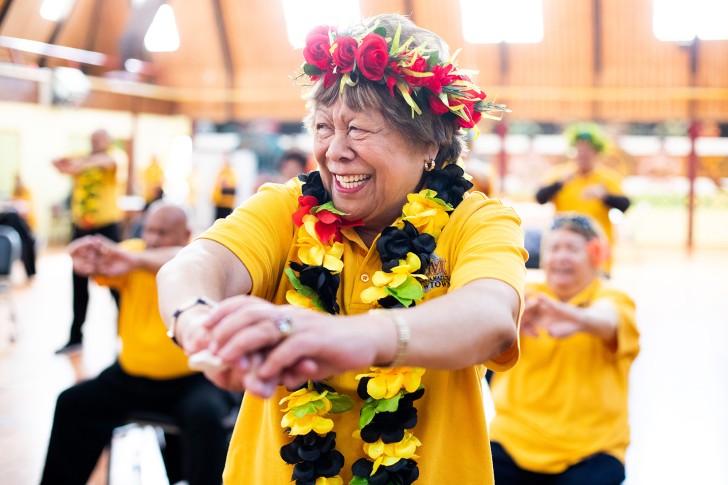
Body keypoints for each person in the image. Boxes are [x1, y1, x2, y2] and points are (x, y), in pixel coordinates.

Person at [157, 14, 527, 484]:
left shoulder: (476, 220)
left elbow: (491, 318)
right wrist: (198, 322)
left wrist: (355, 338)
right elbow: (196, 265)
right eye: (324, 127)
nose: (334, 151)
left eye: (359, 129)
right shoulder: (287, 207)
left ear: (430, 140)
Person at [41, 202, 237, 485]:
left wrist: (134, 260)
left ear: (186, 234)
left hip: (194, 382)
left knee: (206, 417)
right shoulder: (133, 251)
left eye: (163, 232)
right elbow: (104, 265)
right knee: (72, 403)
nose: (152, 239)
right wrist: (87, 257)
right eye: (149, 230)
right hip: (129, 379)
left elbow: (183, 258)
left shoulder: (202, 253)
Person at [488, 214, 640, 485]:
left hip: (591, 452)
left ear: (595, 256)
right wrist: (511, 320)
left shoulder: (612, 298)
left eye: (572, 249)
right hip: (512, 442)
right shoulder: (526, 296)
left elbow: (608, 319)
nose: (561, 257)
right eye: (554, 248)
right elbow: (484, 320)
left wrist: (578, 319)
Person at [53, 129, 123, 353]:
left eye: (100, 139)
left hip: (106, 228)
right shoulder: (84, 159)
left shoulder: (114, 156)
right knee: (79, 283)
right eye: (92, 139)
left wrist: (80, 163)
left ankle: (126, 334)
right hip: (82, 227)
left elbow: (108, 162)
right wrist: (75, 162)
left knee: (116, 280)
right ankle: (75, 338)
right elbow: (58, 164)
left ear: (108, 141)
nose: (95, 143)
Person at [534, 123, 630, 271]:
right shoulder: (561, 174)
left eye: (587, 152)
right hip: (564, 245)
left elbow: (625, 205)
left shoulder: (607, 178)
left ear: (597, 154)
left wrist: (604, 196)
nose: (582, 156)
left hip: (595, 245)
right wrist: (559, 184)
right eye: (579, 151)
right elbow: (540, 198)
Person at [0, 174, 37, 279]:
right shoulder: (14, 193)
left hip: (22, 221)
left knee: (14, 217)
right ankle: (30, 239)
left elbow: (26, 210)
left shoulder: (26, 192)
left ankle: (29, 239)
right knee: (13, 216)